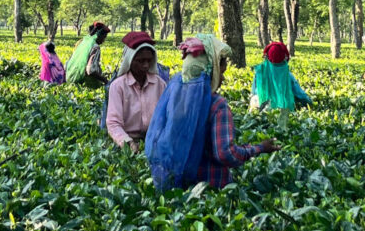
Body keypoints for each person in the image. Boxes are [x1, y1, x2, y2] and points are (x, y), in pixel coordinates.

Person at [145, 34, 281, 191]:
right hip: (211, 189)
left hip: (179, 187)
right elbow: (225, 153)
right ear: (211, 71)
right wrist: (259, 148)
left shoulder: (175, 97)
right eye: (221, 72)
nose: (222, 78)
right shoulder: (217, 105)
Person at [105, 31, 167, 151]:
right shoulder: (118, 86)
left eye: (149, 61)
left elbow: (166, 118)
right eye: (140, 61)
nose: (145, 65)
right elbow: (113, 123)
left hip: (155, 140)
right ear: (130, 60)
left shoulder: (160, 84)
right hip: (126, 140)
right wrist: (128, 143)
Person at [249, 41, 311, 112]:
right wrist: (309, 102)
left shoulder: (259, 72)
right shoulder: (287, 76)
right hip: (280, 108)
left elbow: (253, 92)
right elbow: (300, 95)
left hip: (259, 105)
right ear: (284, 58)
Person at [65, 21, 110, 88]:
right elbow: (90, 70)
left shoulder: (83, 42)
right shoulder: (95, 47)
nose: (104, 40)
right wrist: (105, 80)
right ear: (99, 36)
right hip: (84, 84)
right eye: (104, 37)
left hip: (70, 80)